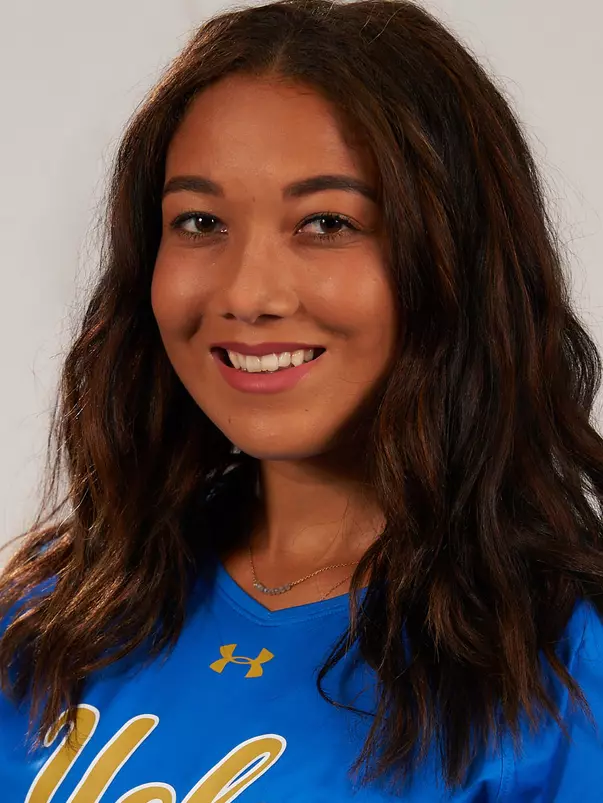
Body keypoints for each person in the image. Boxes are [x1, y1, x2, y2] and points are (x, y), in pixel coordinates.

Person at [1, 0, 602, 799]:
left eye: (326, 221)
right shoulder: (51, 617)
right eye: (200, 220)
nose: (247, 293)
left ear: (457, 257)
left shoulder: (565, 674)